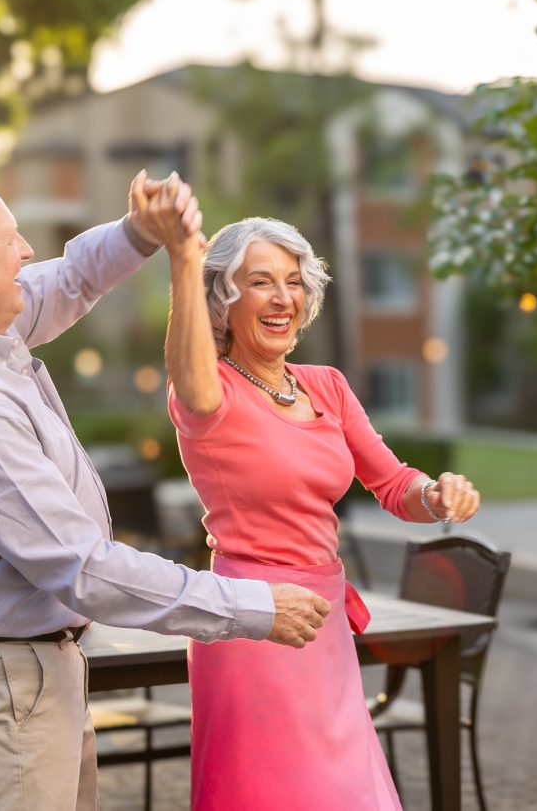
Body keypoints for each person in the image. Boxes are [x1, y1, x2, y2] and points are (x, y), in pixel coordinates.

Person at [0, 172, 333, 811]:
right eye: (11, 240)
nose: (28, 251)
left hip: (26, 671)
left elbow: (70, 279)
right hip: (5, 681)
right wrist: (252, 608)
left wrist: (138, 232)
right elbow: (83, 567)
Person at [149, 183, 483, 810]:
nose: (283, 298)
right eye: (259, 282)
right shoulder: (209, 394)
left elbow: (392, 482)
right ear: (222, 299)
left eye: (294, 281)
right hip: (251, 617)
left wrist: (436, 496)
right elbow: (187, 373)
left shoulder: (326, 385)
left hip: (324, 623)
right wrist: (183, 259)